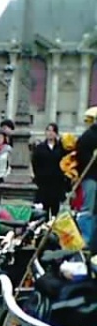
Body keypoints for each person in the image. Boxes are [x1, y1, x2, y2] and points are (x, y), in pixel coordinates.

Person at [31, 123, 66, 218]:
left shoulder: (61, 148)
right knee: (43, 211)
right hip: (43, 183)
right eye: (48, 130)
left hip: (57, 183)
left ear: (56, 133)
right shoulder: (40, 148)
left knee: (55, 210)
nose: (50, 133)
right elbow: (35, 163)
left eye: (52, 131)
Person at [76, 106, 97, 253]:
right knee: (87, 210)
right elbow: (82, 156)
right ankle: (85, 240)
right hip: (90, 177)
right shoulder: (88, 136)